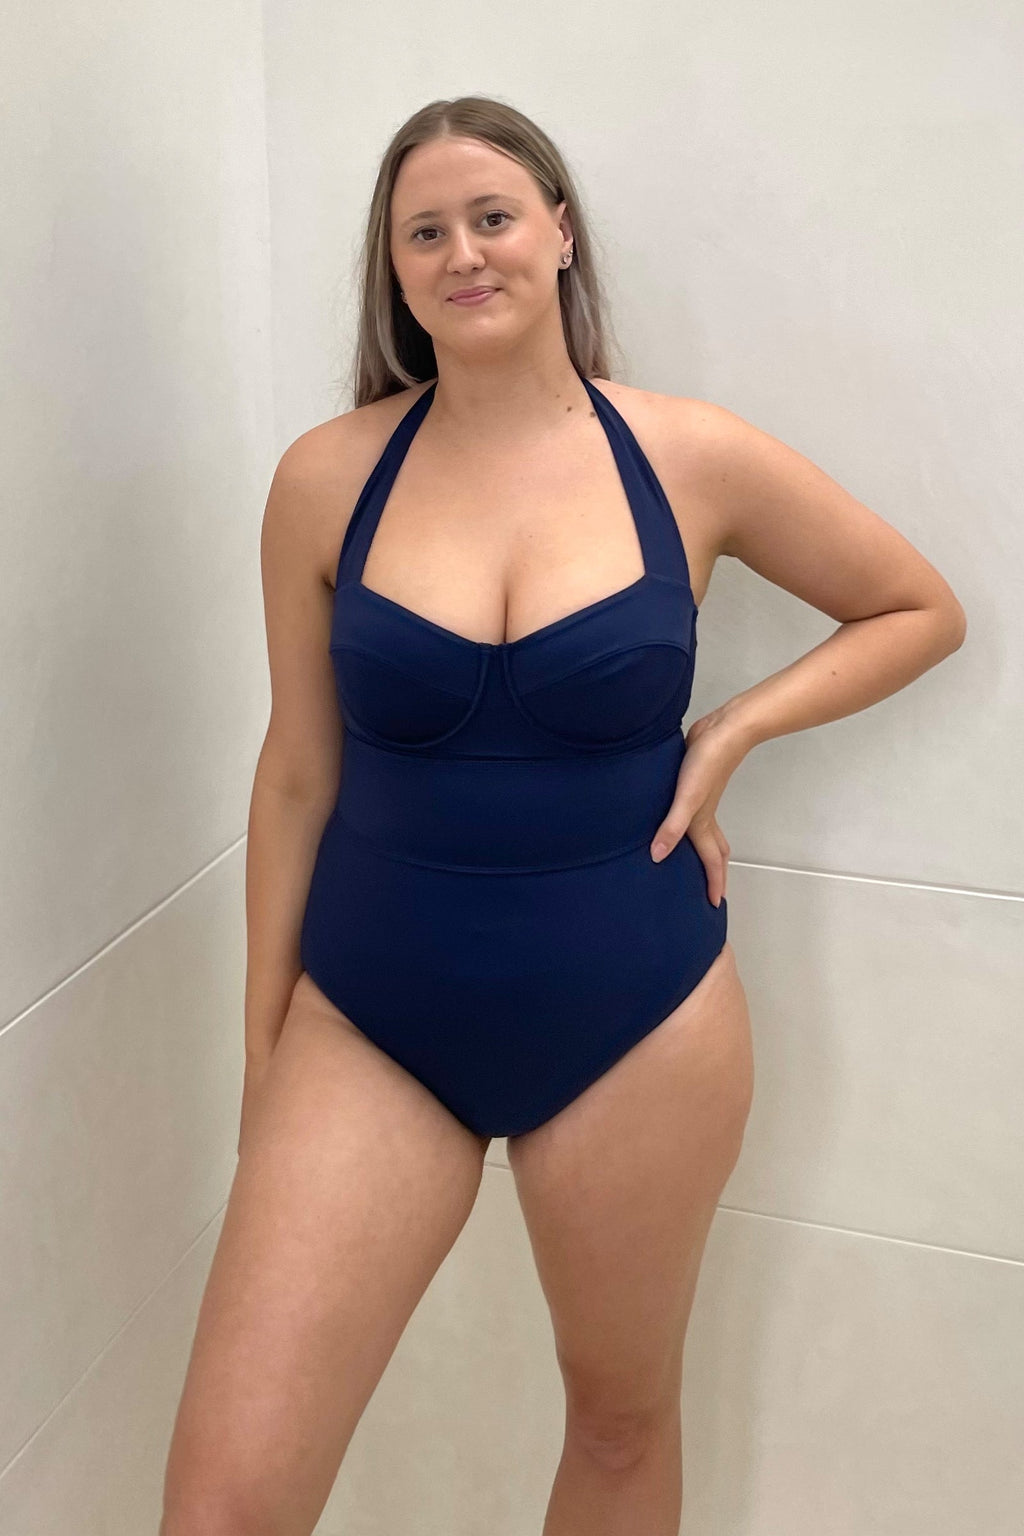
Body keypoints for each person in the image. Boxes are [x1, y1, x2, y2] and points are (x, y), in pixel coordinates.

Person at [160, 96, 966, 1535]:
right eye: (425, 232)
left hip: (638, 1011)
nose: (464, 253)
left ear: (560, 232)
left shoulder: (690, 457)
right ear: (394, 269)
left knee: (619, 1424)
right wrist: (262, 1041)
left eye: (493, 217)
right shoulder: (326, 478)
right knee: (226, 1503)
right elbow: (294, 773)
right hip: (370, 1012)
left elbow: (916, 608)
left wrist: (731, 730)